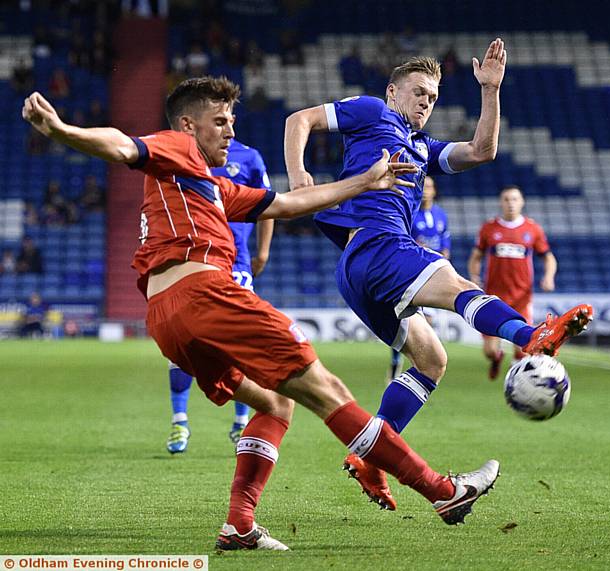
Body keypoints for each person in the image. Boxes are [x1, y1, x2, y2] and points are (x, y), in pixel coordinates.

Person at [22, 78, 502, 551]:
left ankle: (239, 524)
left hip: (166, 318)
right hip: (204, 293)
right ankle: (443, 492)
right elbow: (124, 146)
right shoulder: (176, 147)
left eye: (233, 120)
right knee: (327, 390)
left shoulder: (205, 186)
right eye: (220, 121)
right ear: (189, 126)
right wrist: (63, 129)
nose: (231, 131)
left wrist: (364, 180)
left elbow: (289, 204)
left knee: (274, 403)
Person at [284, 40, 592, 510]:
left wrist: (490, 90)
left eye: (432, 97)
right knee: (458, 286)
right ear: (393, 92)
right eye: (418, 93)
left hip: (357, 270)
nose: (426, 103)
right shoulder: (371, 112)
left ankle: (370, 459)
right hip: (378, 244)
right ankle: (531, 336)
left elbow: (482, 150)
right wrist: (299, 174)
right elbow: (298, 120)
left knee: (431, 361)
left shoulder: (422, 148)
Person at [166, 137, 275, 453]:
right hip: (193, 260)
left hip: (237, 261)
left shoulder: (249, 157)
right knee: (183, 343)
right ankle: (180, 421)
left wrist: (263, 252)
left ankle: (241, 421)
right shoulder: (181, 155)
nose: (224, 123)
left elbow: (268, 204)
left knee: (241, 342)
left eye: (227, 115)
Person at [468, 185, 557, 379]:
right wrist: (474, 276)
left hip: (521, 297)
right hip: (494, 297)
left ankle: (517, 382)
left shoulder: (532, 229)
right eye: (506, 199)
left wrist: (549, 277)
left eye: (515, 199)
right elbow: (476, 256)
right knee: (489, 351)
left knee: (523, 348)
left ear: (522, 202)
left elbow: (548, 257)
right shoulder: (489, 228)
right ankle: (497, 357)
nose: (510, 203)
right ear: (501, 202)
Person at [387, 175, 450, 381]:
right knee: (407, 320)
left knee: (426, 324)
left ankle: (416, 367)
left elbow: (444, 246)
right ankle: (397, 360)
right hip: (410, 274)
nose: (425, 190)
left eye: (430, 186)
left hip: (432, 275)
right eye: (423, 186)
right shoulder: (410, 213)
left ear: (434, 191)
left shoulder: (441, 215)